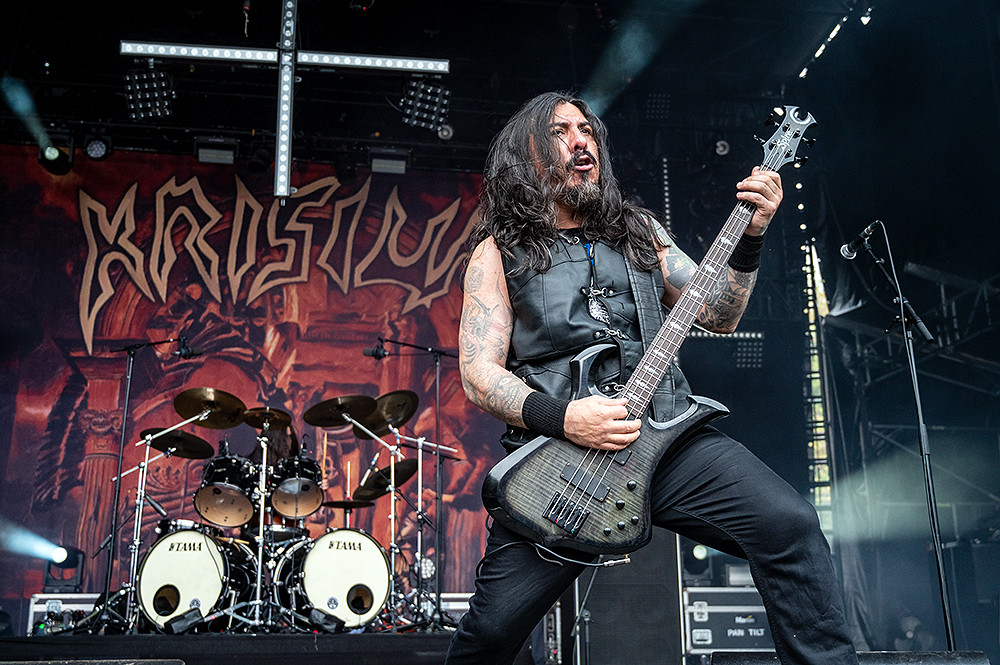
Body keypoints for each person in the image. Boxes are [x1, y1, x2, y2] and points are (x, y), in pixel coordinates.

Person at [447, 91, 858, 665]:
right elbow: (478, 374)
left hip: (665, 439)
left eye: (588, 130)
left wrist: (753, 237)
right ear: (529, 155)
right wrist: (566, 417)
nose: (582, 142)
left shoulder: (639, 231)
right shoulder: (498, 253)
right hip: (560, 468)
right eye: (562, 131)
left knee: (790, 526)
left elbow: (719, 313)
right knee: (490, 637)